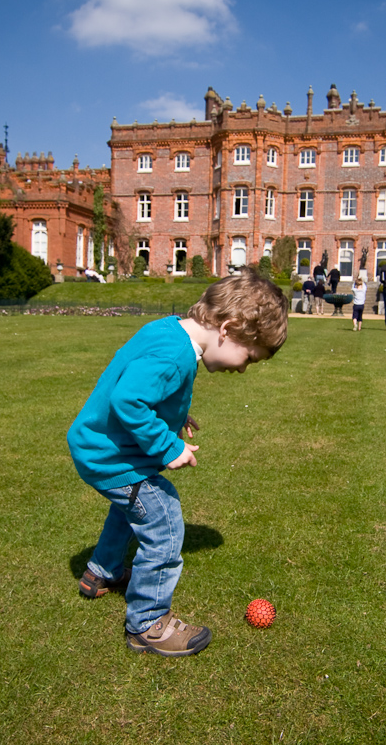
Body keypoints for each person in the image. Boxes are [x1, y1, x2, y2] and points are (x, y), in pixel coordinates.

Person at [67, 271, 288, 658]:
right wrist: (168, 446)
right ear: (228, 328)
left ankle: (102, 571)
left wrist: (175, 418)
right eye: (249, 357)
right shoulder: (174, 352)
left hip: (99, 447)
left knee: (132, 509)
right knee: (163, 515)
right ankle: (147, 624)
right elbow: (129, 401)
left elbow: (150, 390)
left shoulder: (170, 332)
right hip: (110, 455)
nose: (243, 368)